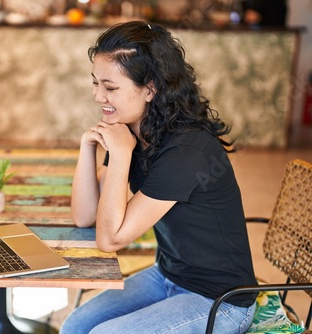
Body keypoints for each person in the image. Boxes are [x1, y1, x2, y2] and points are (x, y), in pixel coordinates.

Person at [61, 21, 257, 334]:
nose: (99, 96)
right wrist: (87, 148)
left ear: (151, 88)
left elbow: (110, 239)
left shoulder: (186, 150)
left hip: (220, 301)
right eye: (96, 83)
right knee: (75, 327)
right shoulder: (133, 131)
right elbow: (85, 217)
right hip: (167, 275)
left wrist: (122, 154)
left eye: (111, 87)